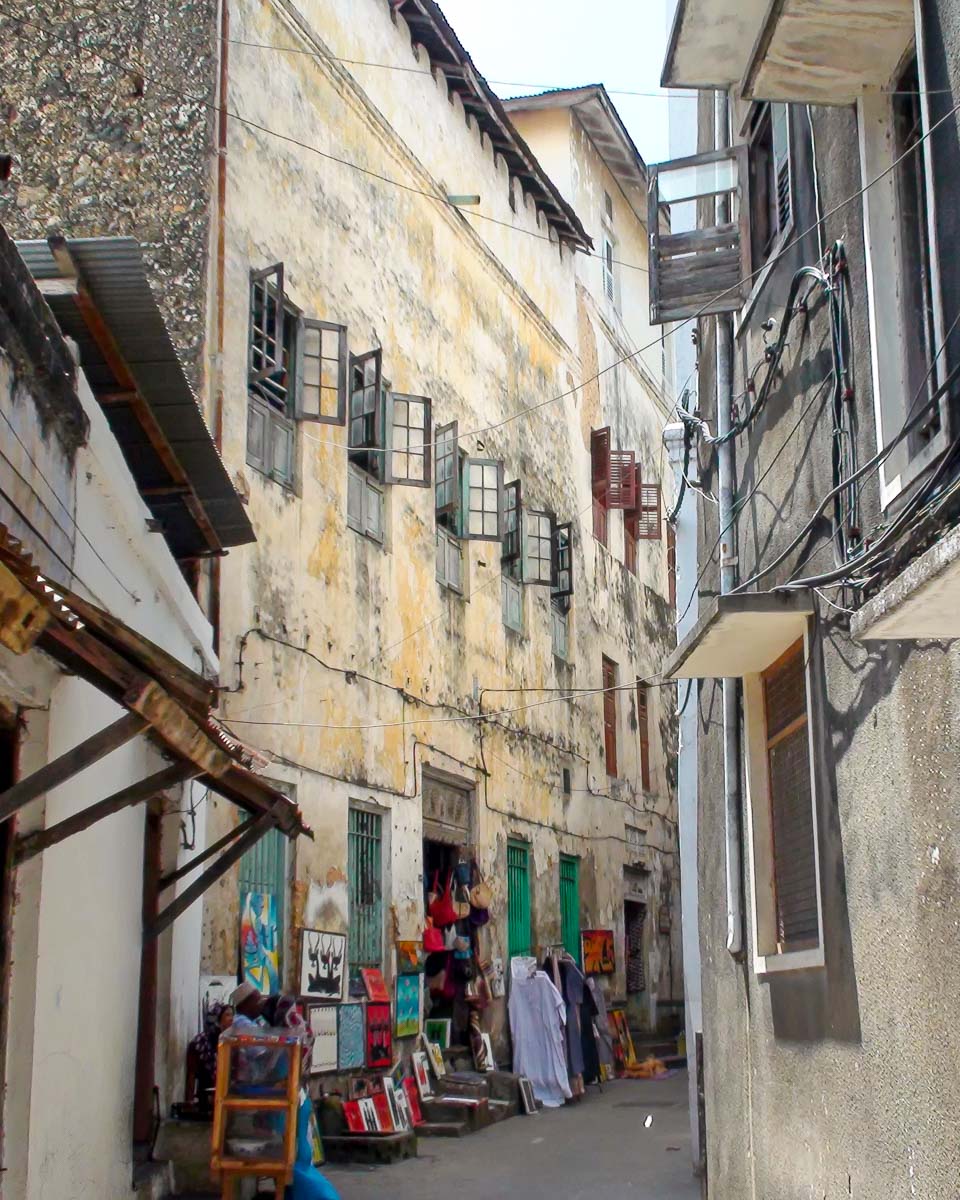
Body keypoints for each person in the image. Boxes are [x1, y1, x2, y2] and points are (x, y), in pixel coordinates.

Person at [184, 1001, 233, 1112]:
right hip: (205, 1097)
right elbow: (191, 1075)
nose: (231, 1019)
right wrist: (189, 1102)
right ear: (218, 1018)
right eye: (227, 1015)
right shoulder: (201, 1042)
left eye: (232, 1015)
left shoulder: (231, 1042)